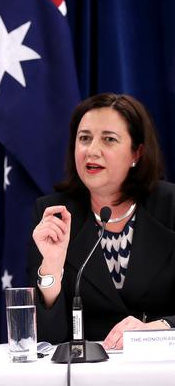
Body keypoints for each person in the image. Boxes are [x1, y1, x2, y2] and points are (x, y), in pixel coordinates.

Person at [28, 93, 175, 349]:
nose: (92, 151)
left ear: (136, 154)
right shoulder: (54, 213)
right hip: (89, 371)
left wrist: (160, 328)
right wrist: (51, 267)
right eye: (84, 138)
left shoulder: (171, 206)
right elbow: (47, 339)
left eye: (108, 139)